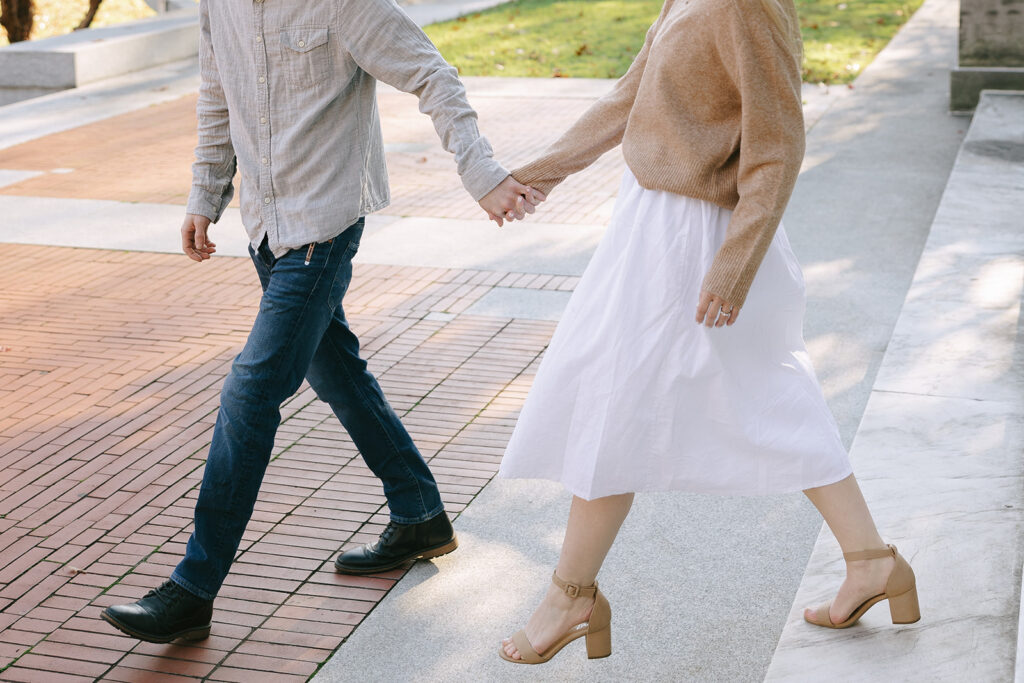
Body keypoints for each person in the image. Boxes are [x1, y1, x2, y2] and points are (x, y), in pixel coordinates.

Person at [101, 0, 541, 644]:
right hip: (265, 227)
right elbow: (217, 94)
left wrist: (481, 172)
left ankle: (193, 589)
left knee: (250, 392)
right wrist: (205, 193)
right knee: (338, 375)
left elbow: (432, 74)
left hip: (322, 227)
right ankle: (419, 513)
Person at [496, 0, 919, 664]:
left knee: (630, 397)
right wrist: (538, 173)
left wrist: (734, 263)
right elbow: (629, 96)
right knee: (740, 394)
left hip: (700, 239)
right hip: (651, 228)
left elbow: (778, 142)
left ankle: (570, 596)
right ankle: (870, 560)